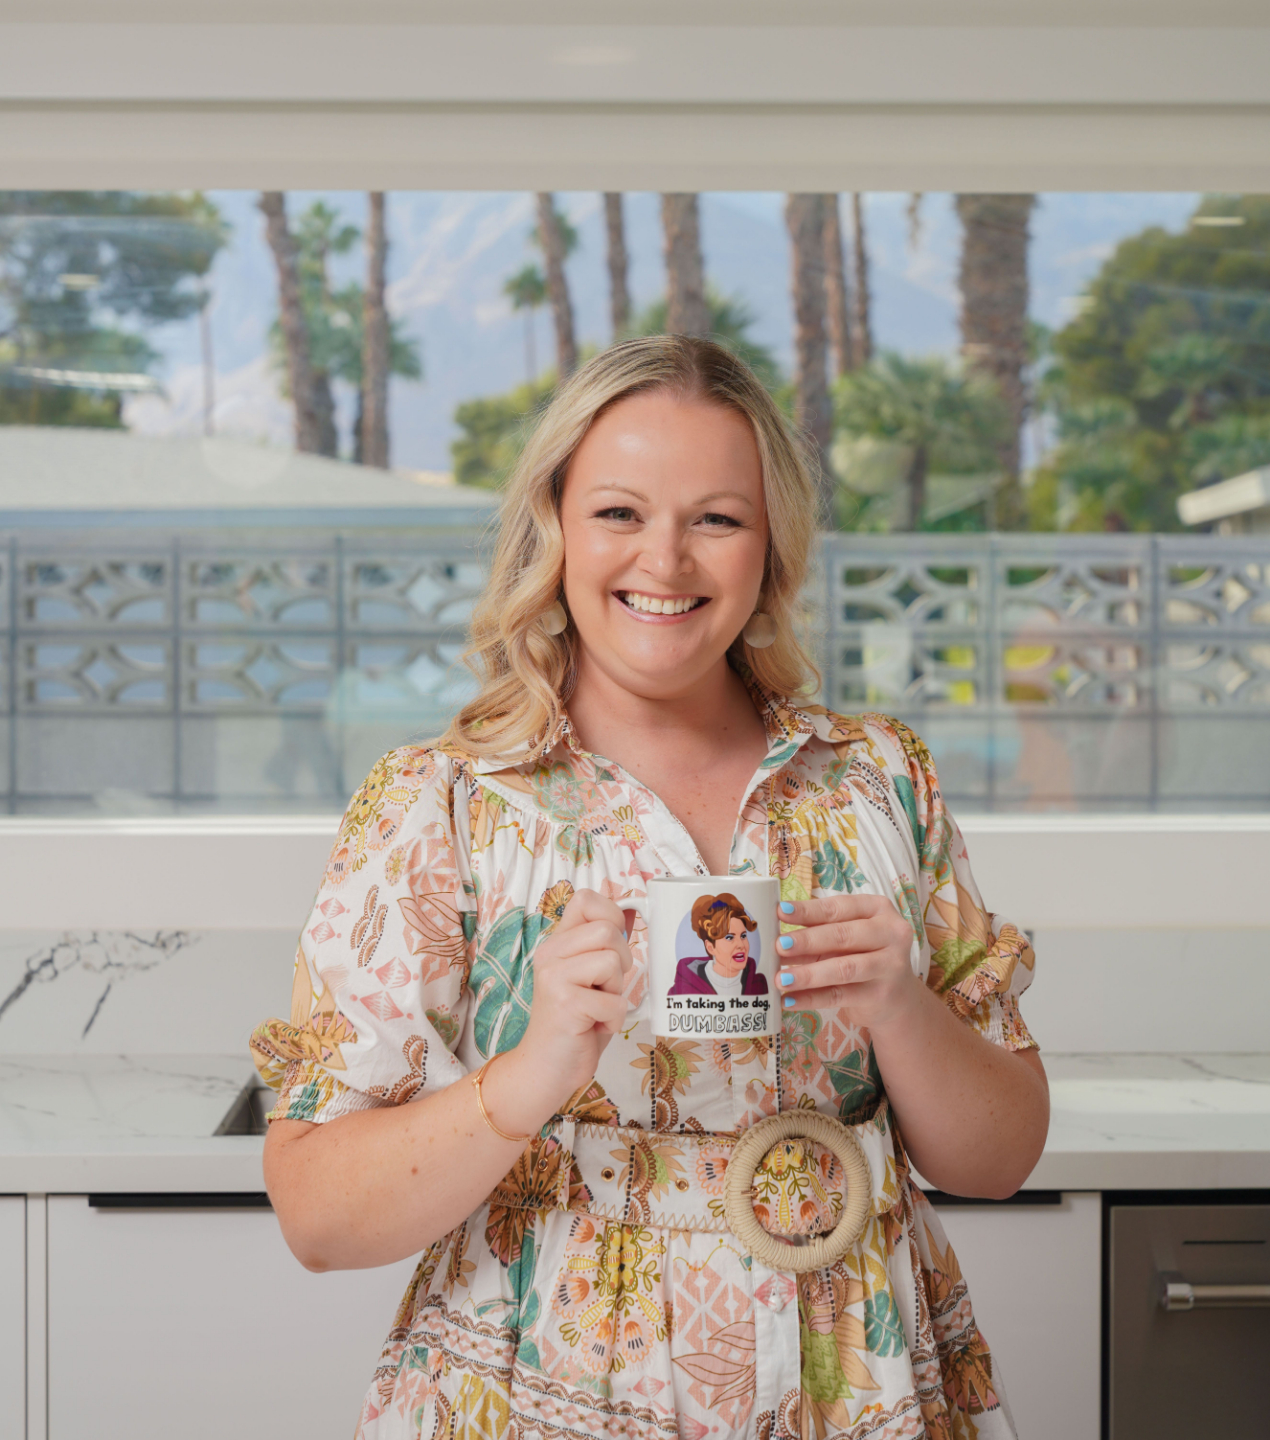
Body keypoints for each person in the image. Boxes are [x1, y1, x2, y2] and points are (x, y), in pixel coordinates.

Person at [252, 335, 1048, 1440]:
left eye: (715, 519)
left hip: (859, 1381)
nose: (665, 563)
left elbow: (1001, 1157)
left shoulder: (878, 780)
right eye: (620, 513)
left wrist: (900, 1007)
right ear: (557, 528)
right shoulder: (441, 804)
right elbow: (317, 1216)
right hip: (544, 1392)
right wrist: (527, 1078)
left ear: (770, 547)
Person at [669, 891, 769, 996]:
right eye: (729, 937)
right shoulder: (682, 989)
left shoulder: (758, 985)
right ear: (710, 947)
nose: (741, 945)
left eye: (743, 936)